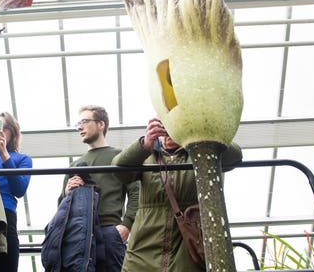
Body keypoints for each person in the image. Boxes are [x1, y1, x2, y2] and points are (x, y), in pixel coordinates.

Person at [111, 117, 243, 272]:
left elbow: (235, 156)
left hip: (188, 252)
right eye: (165, 123)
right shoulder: (148, 156)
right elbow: (119, 171)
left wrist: (200, 131)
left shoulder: (200, 153)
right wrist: (144, 144)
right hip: (143, 251)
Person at [57, 105, 139, 272]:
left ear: (101, 124)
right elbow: (60, 207)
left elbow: (137, 192)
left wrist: (126, 226)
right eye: (78, 123)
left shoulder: (119, 157)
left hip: (109, 232)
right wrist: (67, 193)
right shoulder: (74, 165)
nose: (80, 127)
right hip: (78, 236)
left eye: (85, 121)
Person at [0, 112, 33, 272]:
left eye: (2, 128)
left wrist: (4, 154)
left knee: (4, 264)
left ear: (12, 132)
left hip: (4, 215)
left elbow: (19, 189)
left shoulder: (21, 158)